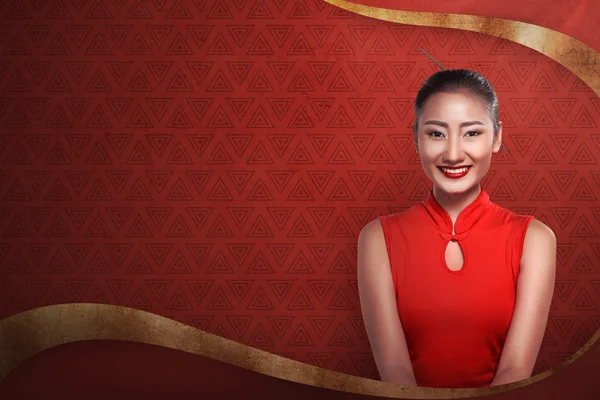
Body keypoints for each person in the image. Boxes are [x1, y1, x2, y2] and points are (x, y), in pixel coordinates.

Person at [357, 69, 556, 388]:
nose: (452, 154)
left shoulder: (534, 239)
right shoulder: (378, 238)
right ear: (415, 137)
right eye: (436, 134)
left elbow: (515, 369)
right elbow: (394, 370)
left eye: (472, 133)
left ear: (497, 137)